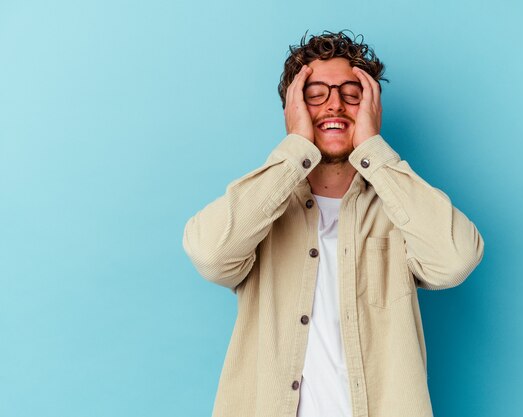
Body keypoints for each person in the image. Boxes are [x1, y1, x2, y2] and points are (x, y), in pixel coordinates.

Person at [182, 30, 485, 417]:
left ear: (371, 109)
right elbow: (210, 255)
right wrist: (294, 150)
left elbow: (456, 259)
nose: (335, 105)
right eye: (315, 94)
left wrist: (374, 149)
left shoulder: (399, 207)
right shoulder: (261, 207)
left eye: (351, 93)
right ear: (293, 109)